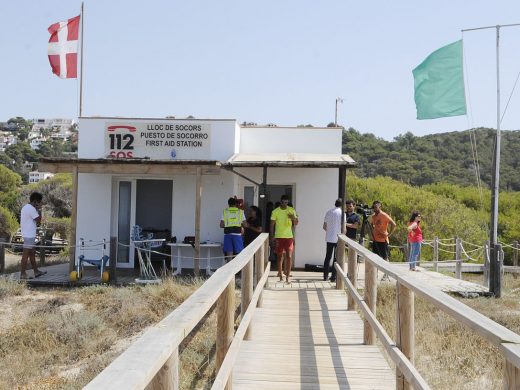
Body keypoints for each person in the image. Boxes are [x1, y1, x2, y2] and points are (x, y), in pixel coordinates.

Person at [270, 195, 298, 283]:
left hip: (289, 236)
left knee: (289, 256)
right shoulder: (275, 211)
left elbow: (296, 223)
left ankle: (287, 277)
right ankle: (280, 275)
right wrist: (272, 236)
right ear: (280, 202)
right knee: (279, 256)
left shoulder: (291, 210)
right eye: (284, 202)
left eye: (287, 202)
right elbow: (272, 225)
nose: (285, 204)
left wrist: (293, 218)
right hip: (278, 236)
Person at [19, 192, 47, 280]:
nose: (39, 204)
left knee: (32, 254)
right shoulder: (31, 209)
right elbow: (39, 220)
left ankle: (36, 272)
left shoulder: (25, 207)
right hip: (29, 235)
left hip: (27, 234)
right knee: (26, 255)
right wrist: (40, 209)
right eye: (39, 202)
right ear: (35, 201)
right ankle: (23, 274)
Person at [322, 199, 346, 282]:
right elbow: (344, 228)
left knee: (327, 257)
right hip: (338, 238)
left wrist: (330, 231)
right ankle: (333, 277)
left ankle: (325, 276)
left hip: (329, 238)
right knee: (336, 258)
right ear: (342, 205)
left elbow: (324, 226)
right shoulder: (342, 213)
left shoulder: (329, 211)